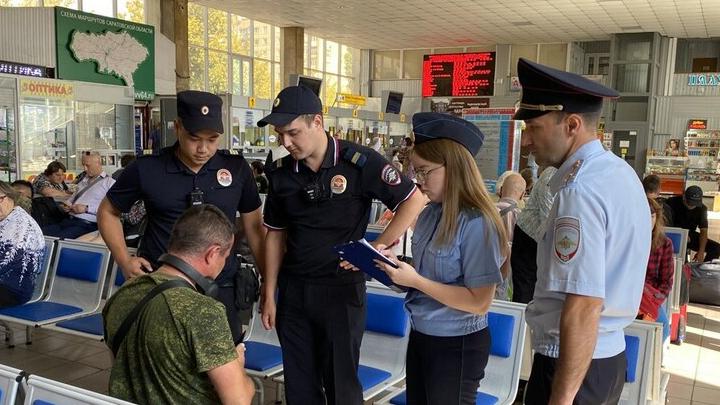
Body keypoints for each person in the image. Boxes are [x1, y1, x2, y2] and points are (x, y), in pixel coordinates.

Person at [258, 85, 425, 405]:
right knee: (299, 387)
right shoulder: (281, 173)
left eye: (293, 133)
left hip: (340, 292)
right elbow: (275, 235)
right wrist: (269, 292)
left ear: (317, 122)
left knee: (341, 387)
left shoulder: (359, 163)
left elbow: (412, 199)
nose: (285, 143)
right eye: (280, 135)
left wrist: (377, 245)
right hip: (294, 293)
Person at [515, 58, 651, 404]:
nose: (527, 141)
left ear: (572, 124)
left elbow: (583, 305)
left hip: (572, 362)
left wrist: (560, 398)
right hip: (605, 359)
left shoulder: (578, 193)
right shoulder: (619, 173)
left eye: (533, 128)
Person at [98, 90, 265, 345]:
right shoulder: (148, 168)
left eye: (212, 140)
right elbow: (108, 212)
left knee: (223, 365)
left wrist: (268, 281)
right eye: (194, 138)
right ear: (177, 128)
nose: (203, 149)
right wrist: (124, 259)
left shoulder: (236, 168)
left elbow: (254, 226)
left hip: (220, 286)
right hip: (163, 286)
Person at [372, 112, 507, 404]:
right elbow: (427, 277)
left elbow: (479, 301)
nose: (418, 182)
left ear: (454, 167)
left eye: (424, 171)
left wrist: (417, 280)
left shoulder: (477, 222)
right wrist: (396, 271)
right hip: (423, 335)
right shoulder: (432, 212)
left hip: (456, 345)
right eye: (415, 173)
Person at [103, 204, 254, 404]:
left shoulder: (123, 294)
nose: (224, 263)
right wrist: (238, 366)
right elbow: (239, 400)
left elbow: (122, 367)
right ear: (212, 253)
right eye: (225, 256)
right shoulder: (202, 311)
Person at [511, 166, 558, 304]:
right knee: (525, 293)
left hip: (544, 238)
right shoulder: (551, 177)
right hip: (528, 238)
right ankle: (522, 323)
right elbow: (549, 223)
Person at [42, 151, 115, 239]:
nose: (85, 169)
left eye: (88, 165)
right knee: (40, 233)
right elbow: (73, 198)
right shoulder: (83, 181)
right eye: (83, 165)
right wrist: (66, 205)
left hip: (86, 224)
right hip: (68, 220)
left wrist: (86, 208)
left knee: (58, 239)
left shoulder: (109, 183)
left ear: (98, 163)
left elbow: (113, 209)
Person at [0, 181, 44, 308]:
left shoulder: (20, 226)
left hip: (12, 289)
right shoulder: (6, 219)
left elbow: (5, 263)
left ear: (11, 197)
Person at [638, 198, 674, 342]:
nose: (648, 220)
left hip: (650, 296)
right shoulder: (627, 240)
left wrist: (653, 301)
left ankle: (654, 361)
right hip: (627, 293)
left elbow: (666, 282)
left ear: (657, 218)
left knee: (663, 328)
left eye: (652, 216)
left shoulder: (665, 244)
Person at [665, 185, 720, 262]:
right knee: (681, 256)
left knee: (715, 248)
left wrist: (701, 251)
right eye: (690, 203)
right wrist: (681, 235)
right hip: (673, 233)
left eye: (695, 204)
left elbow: (703, 231)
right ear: (684, 197)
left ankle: (703, 269)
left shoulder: (702, 209)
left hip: (690, 235)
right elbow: (663, 223)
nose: (692, 206)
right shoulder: (671, 203)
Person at [495, 172, 525, 301]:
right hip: (509, 274)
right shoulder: (522, 219)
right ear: (522, 195)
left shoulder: (485, 211)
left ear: (501, 190)